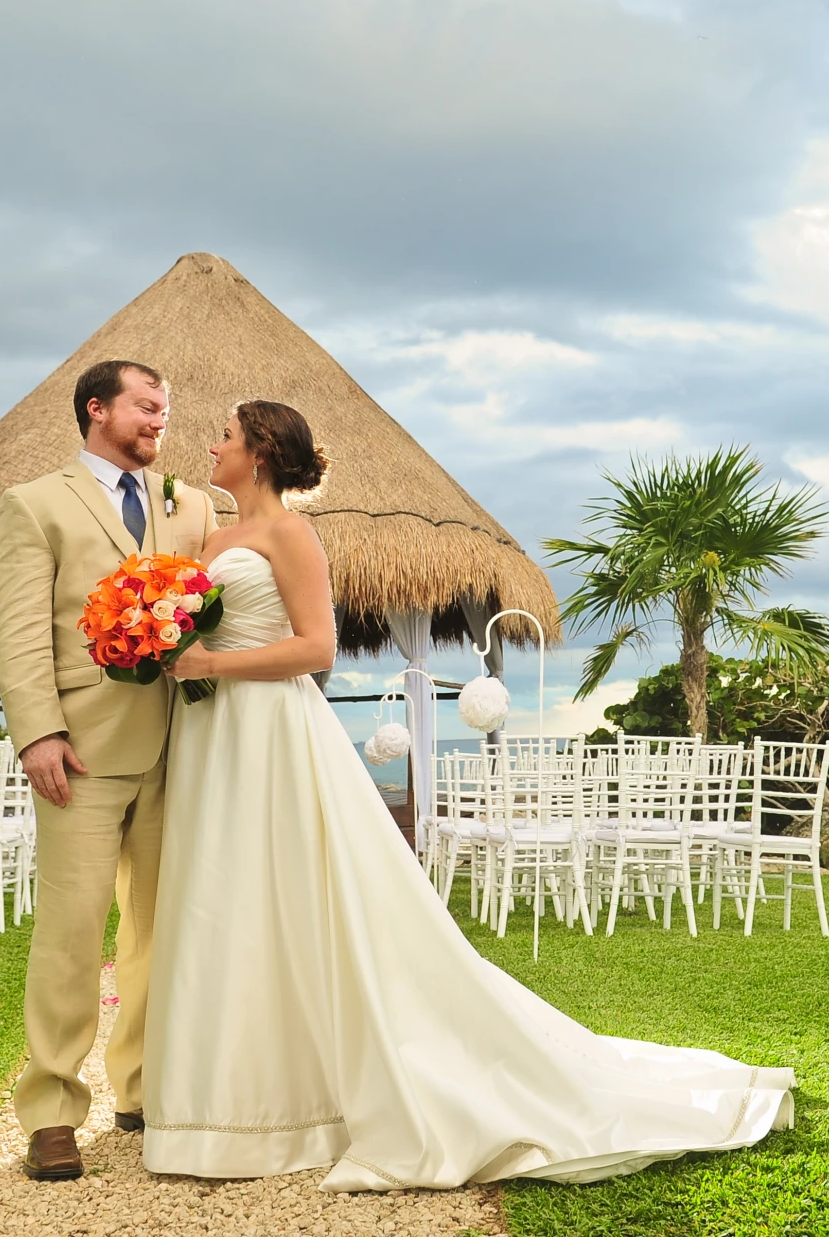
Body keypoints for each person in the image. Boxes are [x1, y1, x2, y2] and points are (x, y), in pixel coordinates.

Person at [139, 399, 793, 1192]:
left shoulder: (289, 534)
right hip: (209, 738)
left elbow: (317, 648)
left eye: (228, 437)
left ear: (264, 453)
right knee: (223, 898)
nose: (212, 446)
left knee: (295, 892)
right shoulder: (213, 535)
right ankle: (228, 1103)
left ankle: (310, 1107)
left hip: (271, 729)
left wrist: (211, 667)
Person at [0, 359, 214, 1182]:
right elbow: (16, 631)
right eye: (147, 406)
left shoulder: (193, 505)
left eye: (167, 408)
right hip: (76, 755)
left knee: (159, 931)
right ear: (97, 409)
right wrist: (37, 733)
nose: (161, 421)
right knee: (72, 934)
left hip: (178, 749)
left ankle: (142, 1089)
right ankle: (51, 1109)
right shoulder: (35, 503)